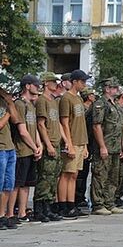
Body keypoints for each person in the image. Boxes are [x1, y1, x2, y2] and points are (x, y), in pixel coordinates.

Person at [57, 69, 89, 220]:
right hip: (72, 140)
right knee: (66, 173)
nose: (84, 84)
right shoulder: (66, 98)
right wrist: (68, 143)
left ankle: (72, 203)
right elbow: (64, 122)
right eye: (82, 81)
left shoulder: (79, 99)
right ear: (74, 81)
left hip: (80, 140)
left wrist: (85, 145)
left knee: (74, 174)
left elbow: (81, 122)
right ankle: (63, 205)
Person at [91, 78, 123, 216]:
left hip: (115, 147)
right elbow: (96, 126)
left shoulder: (115, 105)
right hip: (105, 145)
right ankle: (98, 204)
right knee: (100, 175)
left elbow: (121, 127)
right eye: (114, 88)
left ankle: (109, 202)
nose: (117, 90)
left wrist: (122, 147)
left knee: (113, 177)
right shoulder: (100, 104)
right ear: (107, 89)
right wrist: (102, 146)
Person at [12, 75, 42, 223]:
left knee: (27, 184)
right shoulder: (19, 104)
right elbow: (22, 131)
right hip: (21, 150)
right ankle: (10, 213)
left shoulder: (31, 104)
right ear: (28, 86)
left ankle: (22, 213)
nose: (38, 88)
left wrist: (39, 145)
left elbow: (34, 127)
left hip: (31, 149)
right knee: (17, 183)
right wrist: (34, 146)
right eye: (36, 85)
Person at [34, 71, 63, 221]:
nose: (56, 85)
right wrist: (48, 145)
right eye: (53, 82)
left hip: (56, 142)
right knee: (45, 176)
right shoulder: (42, 101)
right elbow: (40, 124)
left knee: (53, 177)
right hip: (49, 143)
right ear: (46, 83)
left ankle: (49, 206)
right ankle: (40, 208)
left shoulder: (53, 101)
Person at [0, 89, 24, 230]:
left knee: (8, 184)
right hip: (1, 148)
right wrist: (8, 112)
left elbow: (16, 120)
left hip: (9, 147)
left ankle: (3, 214)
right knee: (0, 183)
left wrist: (10, 103)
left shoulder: (5, 103)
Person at [75, 87, 97, 215]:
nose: (94, 97)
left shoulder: (90, 108)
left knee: (84, 172)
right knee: (80, 173)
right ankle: (77, 196)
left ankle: (80, 196)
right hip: (84, 141)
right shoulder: (84, 109)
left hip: (88, 143)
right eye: (92, 95)